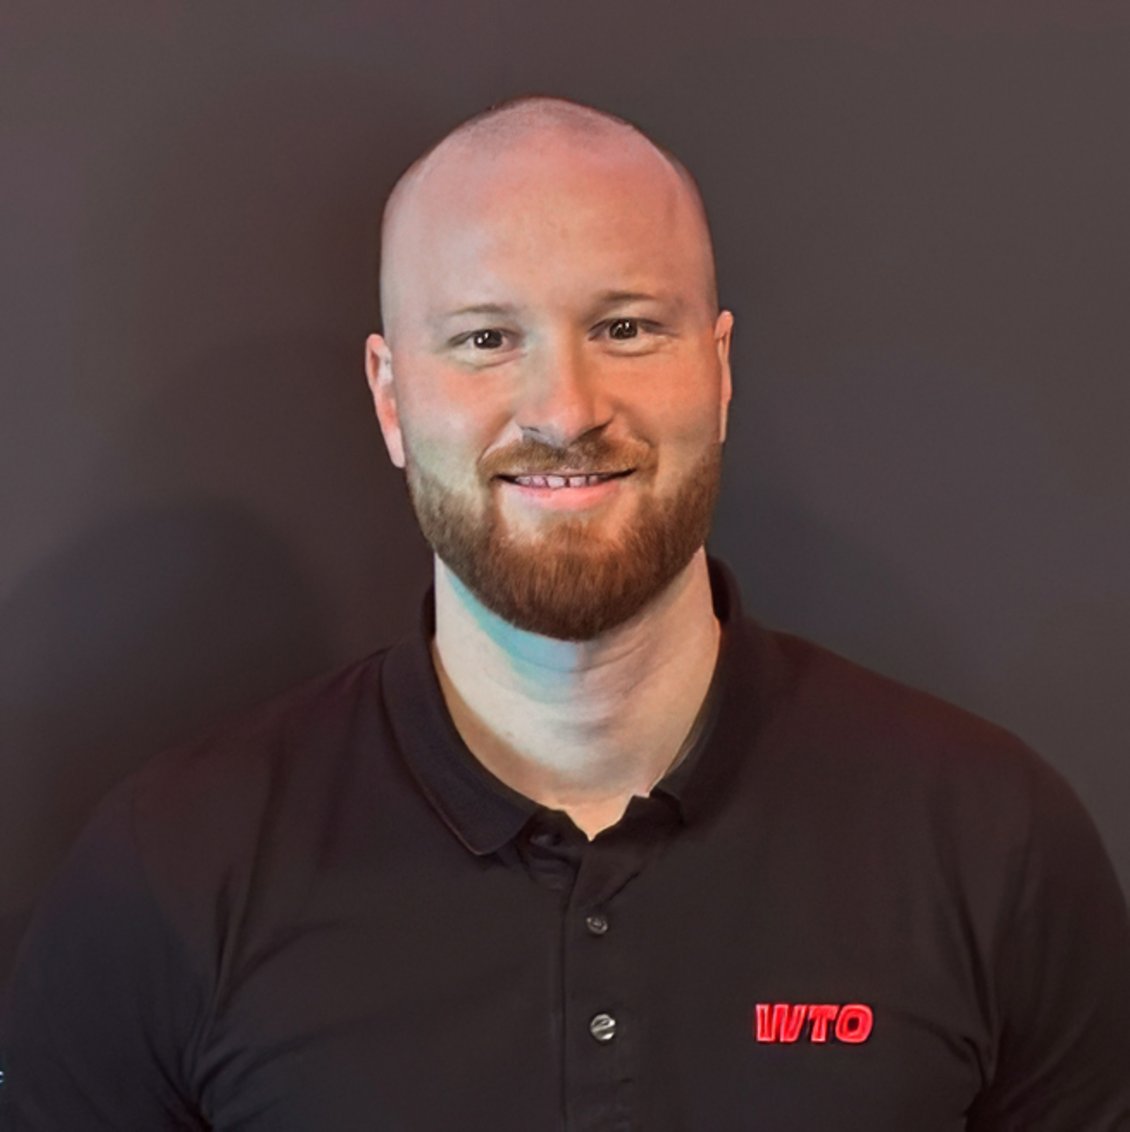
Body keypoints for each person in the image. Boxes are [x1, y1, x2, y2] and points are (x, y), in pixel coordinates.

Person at [0, 94, 1127, 1131]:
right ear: (391, 398)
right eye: (486, 338)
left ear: (718, 371)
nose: (565, 410)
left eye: (626, 328)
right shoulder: (169, 873)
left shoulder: (990, 838)